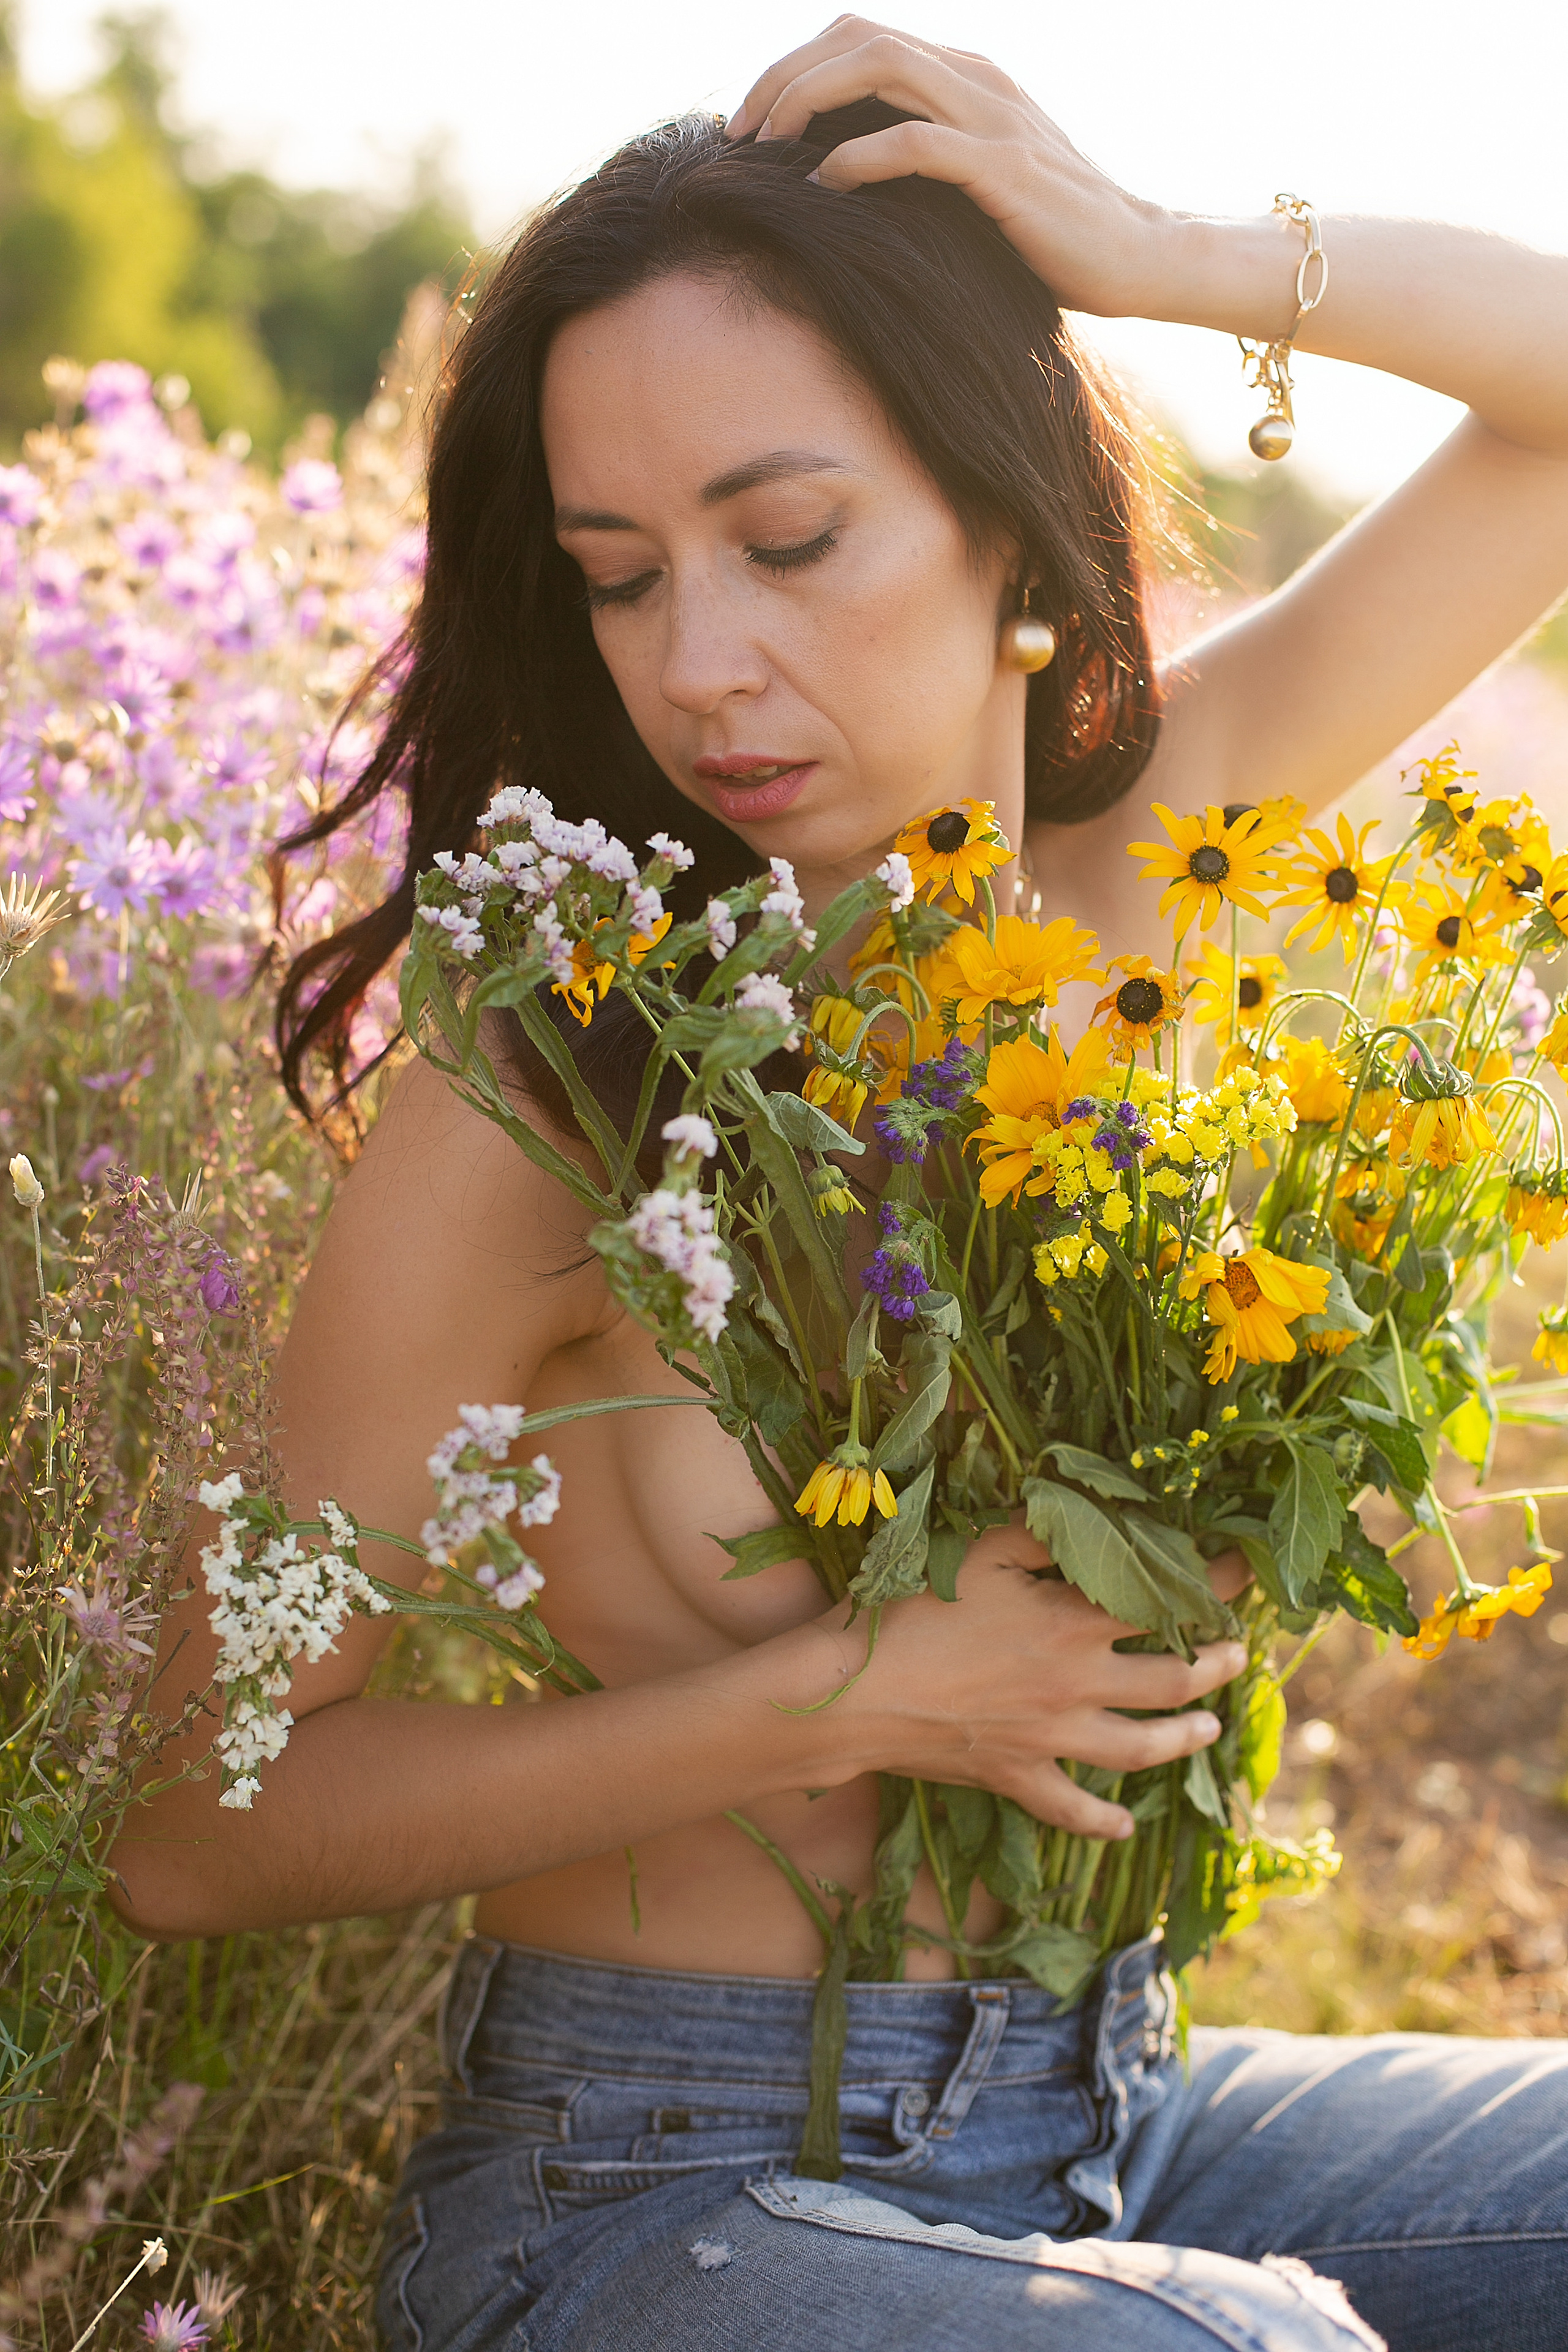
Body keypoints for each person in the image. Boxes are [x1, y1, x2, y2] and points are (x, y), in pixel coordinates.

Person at [111, 24, 1568, 2350]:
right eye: (619, 575)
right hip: (648, 2185)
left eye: (789, 541)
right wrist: (863, 1696)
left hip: (1107, 2101)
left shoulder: (1137, 852)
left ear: (1007, 513)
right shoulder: (552, 1086)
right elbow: (206, 1821)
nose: (702, 664)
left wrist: (1159, 256)